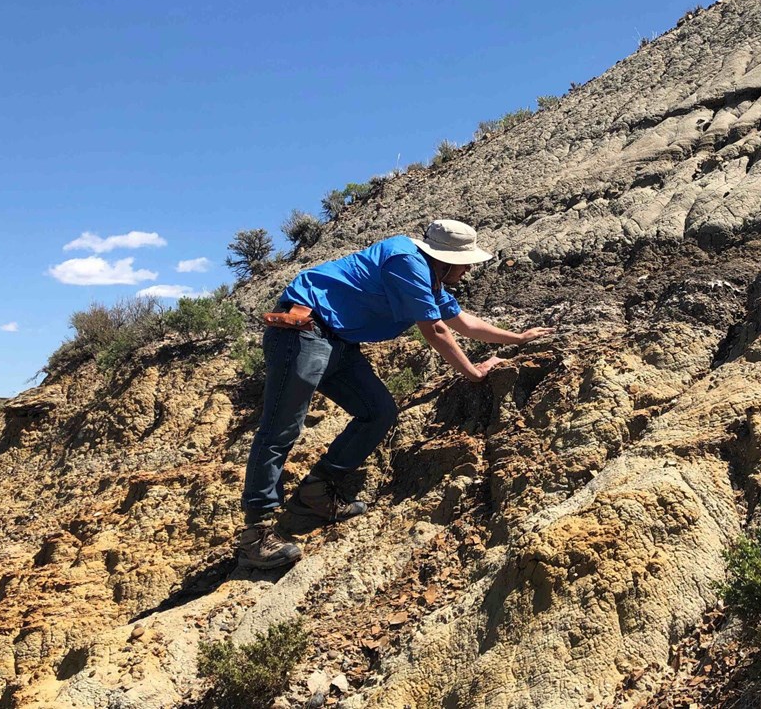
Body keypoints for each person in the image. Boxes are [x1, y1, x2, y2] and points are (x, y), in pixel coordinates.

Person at [237, 219, 553, 569]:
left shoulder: (430, 279)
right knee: (281, 427)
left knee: (379, 411)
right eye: (465, 262)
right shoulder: (406, 261)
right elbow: (435, 330)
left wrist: (519, 338)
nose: (468, 269)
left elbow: (462, 322)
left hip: (339, 341)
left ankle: (316, 492)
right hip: (303, 331)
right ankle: (255, 535)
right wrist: (474, 373)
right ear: (445, 258)